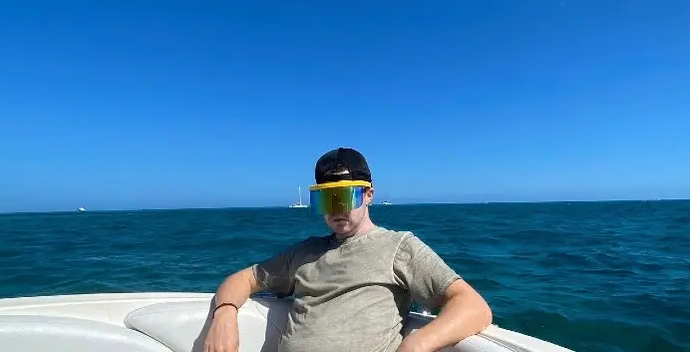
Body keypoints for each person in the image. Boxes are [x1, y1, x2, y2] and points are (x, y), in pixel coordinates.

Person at [204, 147, 492, 352]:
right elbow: (244, 279)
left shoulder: (399, 247)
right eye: (326, 200)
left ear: (368, 195)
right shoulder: (304, 253)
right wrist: (225, 315)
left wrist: (416, 345)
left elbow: (473, 306)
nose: (335, 209)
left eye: (344, 197)